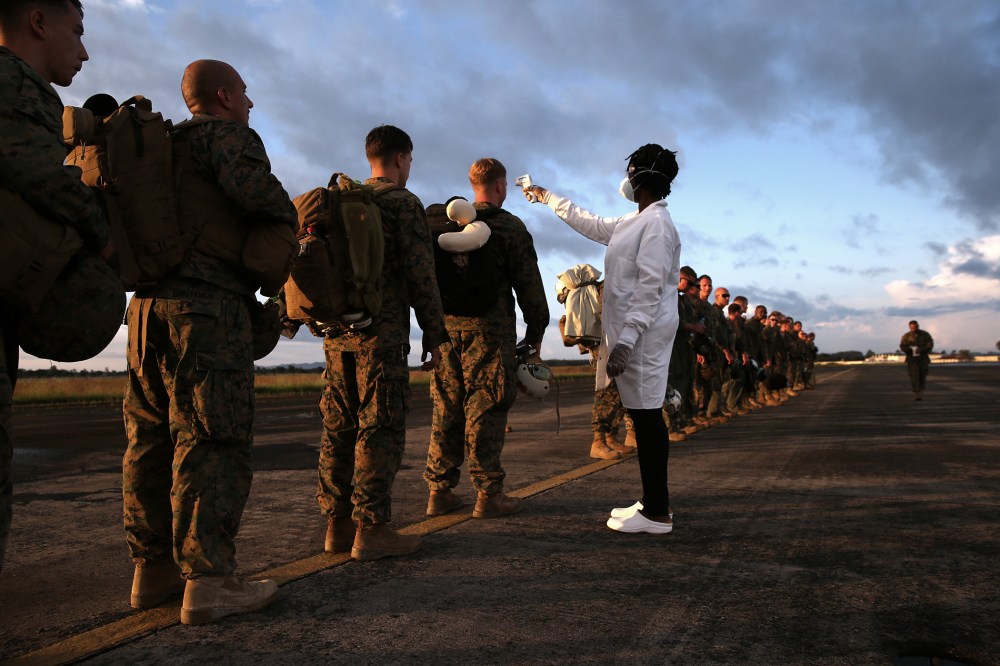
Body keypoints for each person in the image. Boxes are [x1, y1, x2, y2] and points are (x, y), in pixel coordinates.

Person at [121, 59, 296, 625]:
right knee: (211, 441)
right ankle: (210, 580)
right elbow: (265, 200)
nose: (250, 104)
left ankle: (152, 573)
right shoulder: (227, 137)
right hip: (204, 309)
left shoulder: (158, 149)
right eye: (245, 94)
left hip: (145, 311)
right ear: (222, 96)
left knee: (148, 439)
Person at [0, 0, 112, 574]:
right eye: (77, 31)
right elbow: (43, 176)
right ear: (38, 23)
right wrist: (103, 231)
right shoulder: (15, 82)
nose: (84, 49)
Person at [526, 144, 681, 535]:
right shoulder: (635, 221)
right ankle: (650, 502)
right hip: (633, 332)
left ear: (640, 176)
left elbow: (650, 287)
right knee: (641, 415)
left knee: (647, 418)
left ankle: (658, 513)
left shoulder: (657, 226)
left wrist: (626, 339)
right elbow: (588, 221)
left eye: (630, 170)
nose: (626, 177)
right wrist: (548, 197)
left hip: (641, 334)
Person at [317, 125, 447, 559]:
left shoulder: (339, 200)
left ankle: (337, 525)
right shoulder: (401, 203)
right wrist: (434, 331)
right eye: (409, 160)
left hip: (337, 337)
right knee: (379, 426)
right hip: (382, 336)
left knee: (339, 426)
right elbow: (421, 273)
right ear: (399, 158)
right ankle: (372, 530)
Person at [423, 158, 548, 518]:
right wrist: (535, 331)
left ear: (472, 182)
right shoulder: (508, 227)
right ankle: (488, 493)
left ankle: (439, 491)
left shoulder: (445, 223)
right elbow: (529, 285)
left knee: (446, 405)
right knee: (486, 407)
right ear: (500, 186)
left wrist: (431, 331)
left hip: (446, 331)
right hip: (489, 333)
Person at [899, 320, 933, 399]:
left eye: (915, 327)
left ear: (918, 326)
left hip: (923, 358)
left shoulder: (925, 335)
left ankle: (920, 390)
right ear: (909, 327)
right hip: (911, 359)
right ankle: (916, 392)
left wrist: (922, 349)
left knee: (922, 375)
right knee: (914, 375)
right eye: (912, 328)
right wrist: (909, 349)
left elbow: (930, 345)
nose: (913, 329)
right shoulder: (906, 336)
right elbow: (902, 346)